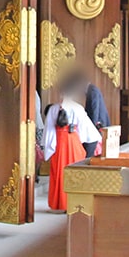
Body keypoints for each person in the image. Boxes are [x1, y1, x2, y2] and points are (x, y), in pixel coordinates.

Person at [42, 81, 102, 211]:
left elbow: (49, 131)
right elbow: (86, 130)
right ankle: (74, 204)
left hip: (58, 143)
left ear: (61, 92)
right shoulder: (78, 108)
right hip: (73, 141)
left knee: (59, 172)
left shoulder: (53, 109)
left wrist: (49, 147)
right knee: (75, 173)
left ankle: (60, 203)